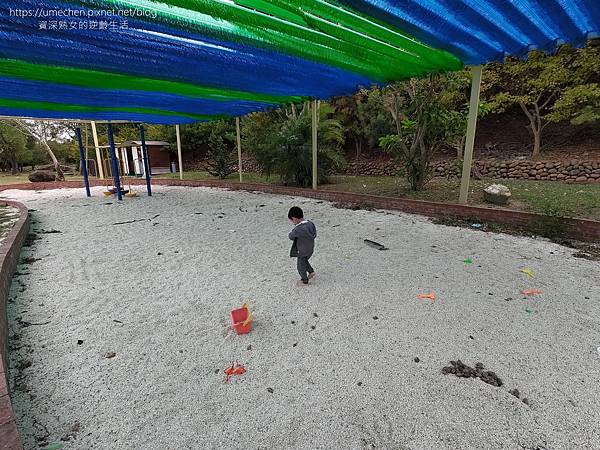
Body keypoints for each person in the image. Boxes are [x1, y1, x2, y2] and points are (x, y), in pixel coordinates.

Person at [288, 206, 317, 287]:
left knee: (300, 266)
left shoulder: (298, 229)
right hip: (310, 248)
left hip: (302, 250)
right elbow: (314, 233)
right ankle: (311, 272)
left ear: (294, 218)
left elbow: (291, 236)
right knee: (304, 261)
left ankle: (304, 280)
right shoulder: (310, 224)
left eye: (291, 220)